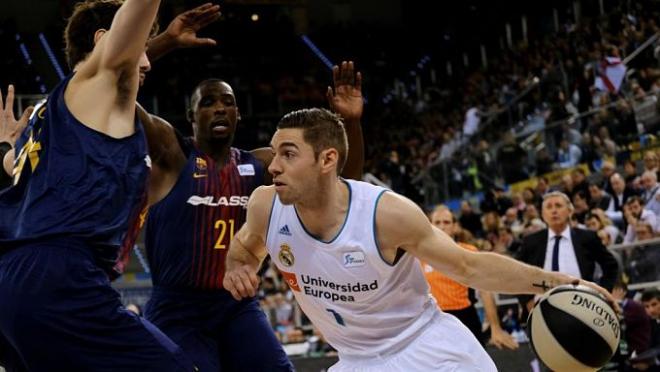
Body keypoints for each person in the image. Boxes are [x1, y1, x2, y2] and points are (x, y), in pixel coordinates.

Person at [222, 108, 617, 371]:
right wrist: (237, 265)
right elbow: (246, 248)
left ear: (327, 160)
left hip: (426, 349)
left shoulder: (386, 214)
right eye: (274, 153)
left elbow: (470, 267)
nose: (272, 166)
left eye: (288, 154)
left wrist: (559, 282)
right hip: (356, 360)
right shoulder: (265, 205)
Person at [137, 16, 365, 369]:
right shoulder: (172, 155)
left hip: (236, 304)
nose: (218, 107)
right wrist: (165, 41)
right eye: (207, 102)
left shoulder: (261, 166)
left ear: (238, 114)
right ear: (189, 115)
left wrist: (350, 122)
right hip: (177, 308)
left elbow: (342, 186)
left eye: (226, 101)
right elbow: (112, 84)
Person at [0, 0, 196, 370]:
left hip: (15, 280)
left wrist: (9, 145)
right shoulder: (100, 82)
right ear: (105, 40)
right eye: (141, 48)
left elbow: (16, 168)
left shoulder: (55, 115)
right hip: (59, 276)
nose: (147, 62)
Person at [424, 205, 518, 350]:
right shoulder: (420, 256)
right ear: (430, 225)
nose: (442, 226)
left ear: (455, 226)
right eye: (437, 223)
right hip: (434, 322)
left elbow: (485, 291)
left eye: (446, 222)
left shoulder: (468, 252)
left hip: (465, 318)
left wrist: (495, 327)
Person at [516, 191, 619, 313]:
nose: (554, 211)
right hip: (542, 308)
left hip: (583, 305)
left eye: (558, 206)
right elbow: (517, 273)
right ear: (543, 215)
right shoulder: (531, 241)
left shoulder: (587, 237)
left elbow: (611, 265)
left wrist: (602, 295)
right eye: (549, 207)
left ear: (570, 211)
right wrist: (527, 301)